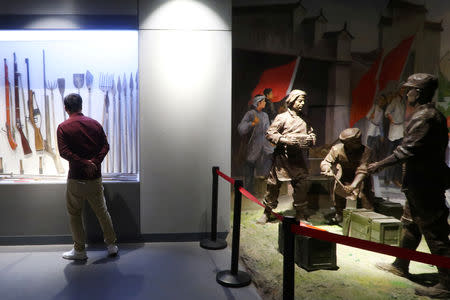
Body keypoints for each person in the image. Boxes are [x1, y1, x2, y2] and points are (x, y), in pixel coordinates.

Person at [368, 74, 450, 298]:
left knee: (435, 231)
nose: (406, 94)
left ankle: (447, 283)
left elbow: (406, 150)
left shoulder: (425, 117)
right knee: (412, 223)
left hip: (425, 183)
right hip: (419, 182)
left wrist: (378, 165)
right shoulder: (428, 115)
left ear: (419, 92)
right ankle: (401, 264)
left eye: (409, 90)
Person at [57, 93, 118, 260]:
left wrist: (84, 163)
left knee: (75, 214)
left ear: (66, 108)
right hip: (95, 178)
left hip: (76, 178)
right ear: (81, 106)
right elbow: (105, 146)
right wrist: (94, 163)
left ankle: (79, 250)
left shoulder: (63, 127)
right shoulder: (95, 124)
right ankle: (111, 245)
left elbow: (64, 152)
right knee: (102, 212)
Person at [257, 89, 316, 224]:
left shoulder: (305, 118)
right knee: (273, 186)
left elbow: (312, 133)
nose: (302, 103)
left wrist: (311, 139)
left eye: (303, 101)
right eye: (299, 101)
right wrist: (284, 140)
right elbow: (270, 133)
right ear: (292, 101)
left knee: (301, 186)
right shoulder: (282, 117)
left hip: (298, 159)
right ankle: (267, 212)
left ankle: (300, 214)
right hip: (282, 159)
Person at [320, 128, 374, 224]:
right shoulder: (337, 149)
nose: (359, 143)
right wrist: (326, 168)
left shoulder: (366, 151)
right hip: (344, 177)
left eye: (359, 141)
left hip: (361, 180)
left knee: (365, 201)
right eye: (355, 142)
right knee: (339, 197)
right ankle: (339, 214)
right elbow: (326, 162)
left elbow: (362, 170)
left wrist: (353, 186)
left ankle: (368, 221)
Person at [237, 95, 274, 194]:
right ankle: (249, 191)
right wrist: (252, 124)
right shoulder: (250, 114)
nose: (265, 103)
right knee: (250, 167)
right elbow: (241, 128)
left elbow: (268, 130)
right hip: (253, 146)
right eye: (263, 101)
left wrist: (271, 141)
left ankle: (266, 191)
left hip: (265, 146)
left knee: (267, 166)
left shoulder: (265, 115)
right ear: (258, 103)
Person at [384, 89, 406, 186]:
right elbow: (387, 112)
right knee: (391, 156)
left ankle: (396, 178)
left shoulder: (403, 102)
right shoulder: (395, 101)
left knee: (400, 156)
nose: (403, 91)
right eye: (402, 89)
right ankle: (388, 178)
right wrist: (393, 121)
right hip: (393, 132)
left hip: (400, 131)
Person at [366, 94, 386, 162]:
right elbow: (368, 116)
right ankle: (367, 160)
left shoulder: (382, 111)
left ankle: (374, 160)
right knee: (369, 144)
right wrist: (372, 117)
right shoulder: (374, 107)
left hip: (378, 129)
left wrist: (382, 134)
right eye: (380, 100)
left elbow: (381, 123)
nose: (381, 102)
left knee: (376, 145)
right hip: (372, 127)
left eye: (383, 100)